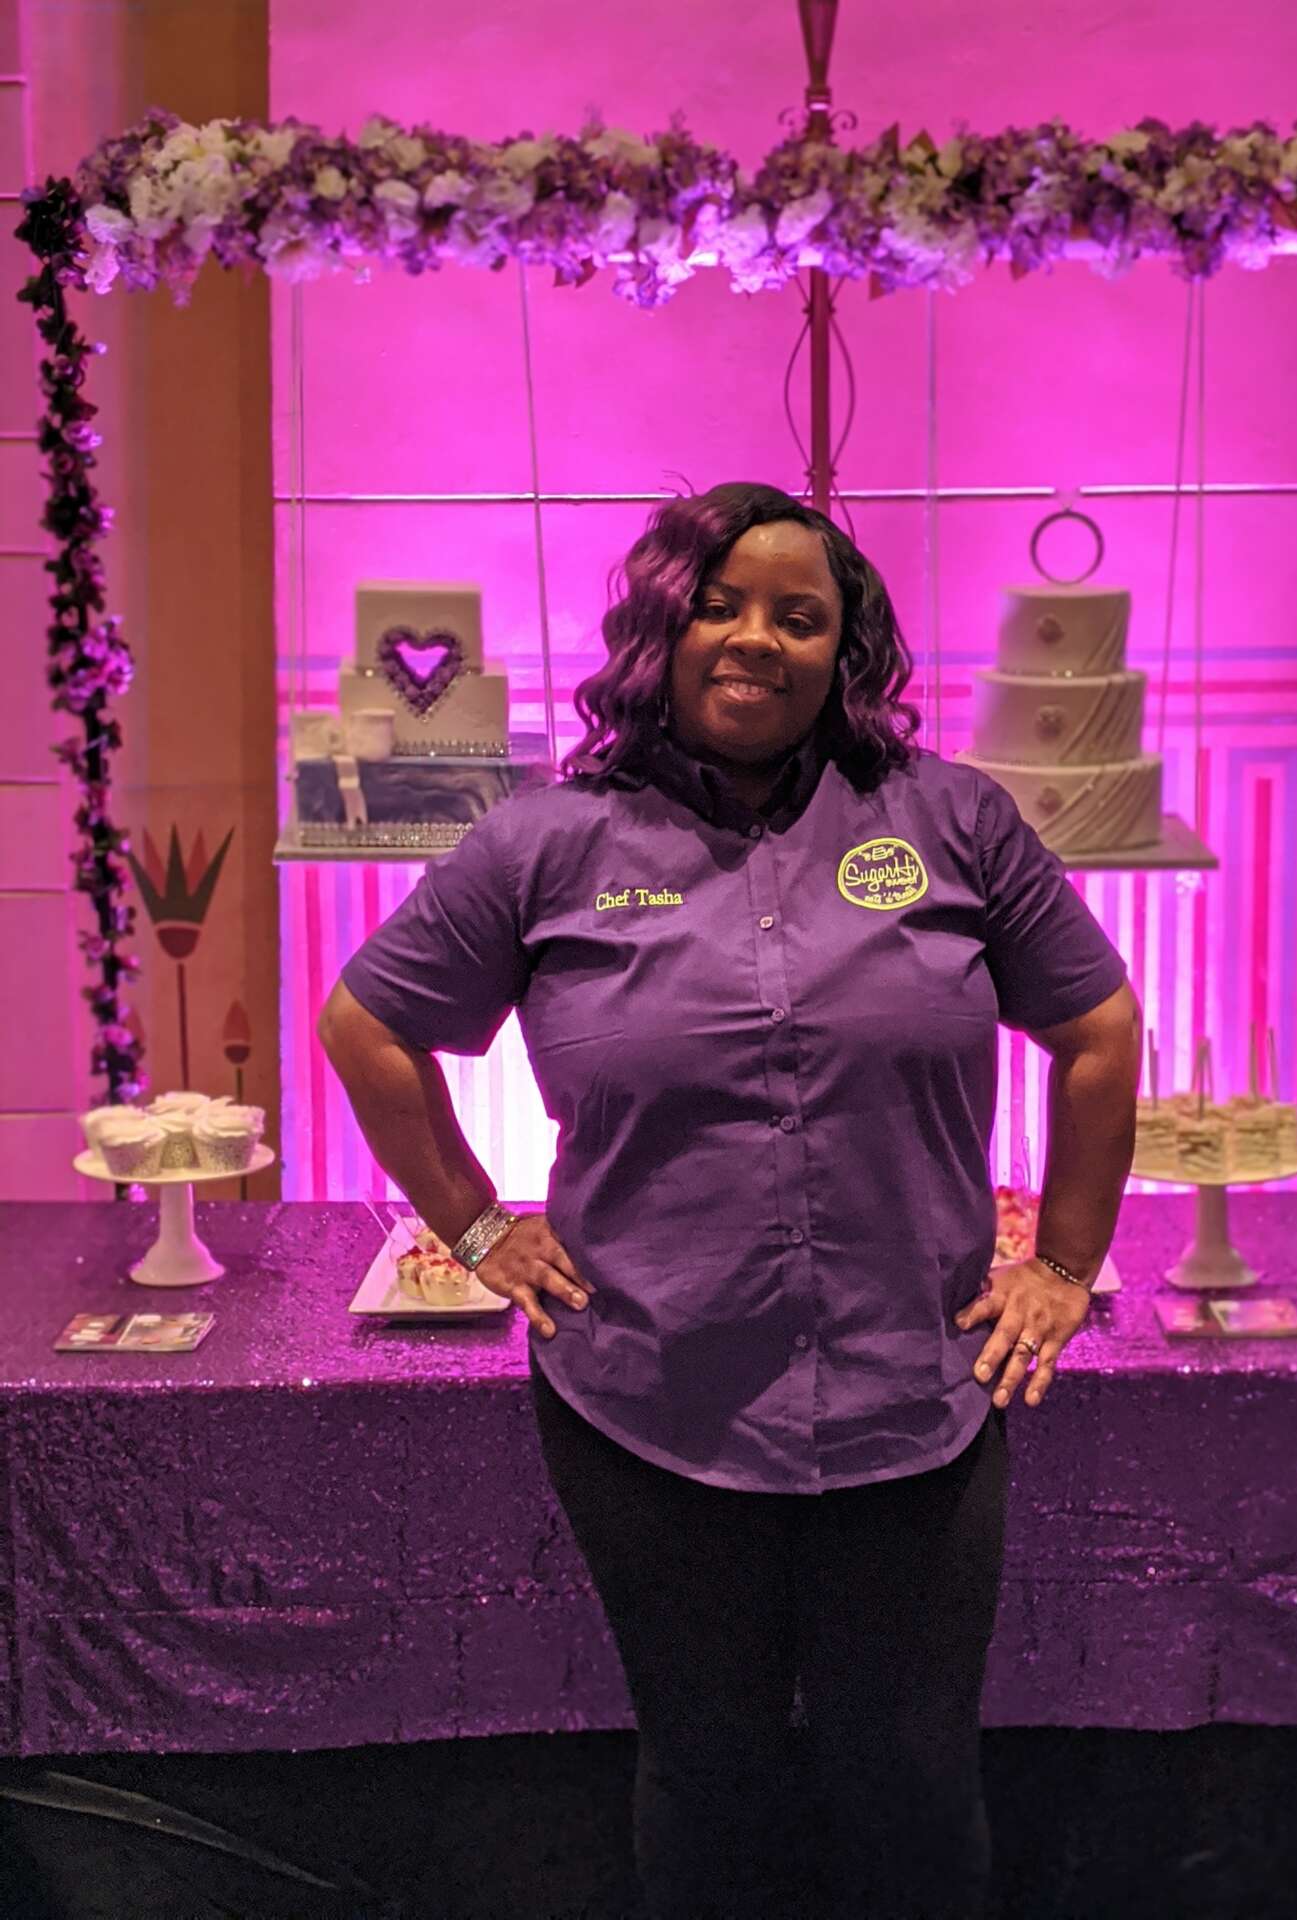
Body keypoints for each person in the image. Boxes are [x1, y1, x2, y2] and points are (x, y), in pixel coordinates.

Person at [319, 481, 1140, 1920]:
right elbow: (365, 1026)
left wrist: (1065, 1267)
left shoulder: (952, 820)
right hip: (651, 1410)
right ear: (662, 628)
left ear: (843, 651)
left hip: (917, 1404)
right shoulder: (544, 842)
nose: (757, 637)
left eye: (799, 616)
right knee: (708, 1779)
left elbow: (1099, 1028)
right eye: (719, 604)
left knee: (914, 1784)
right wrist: (477, 1225)